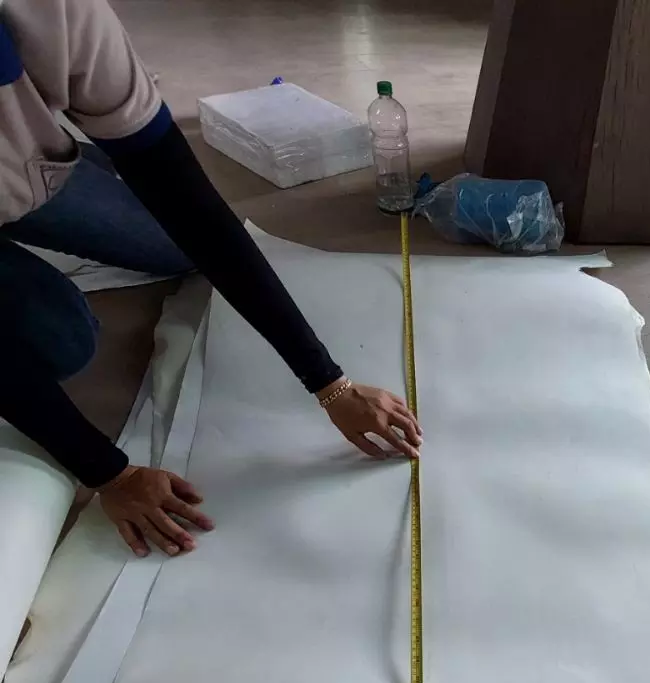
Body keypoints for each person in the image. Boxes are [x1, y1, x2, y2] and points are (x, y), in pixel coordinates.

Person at [0, 0, 421, 559]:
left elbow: (194, 210)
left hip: (21, 166)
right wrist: (111, 474)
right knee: (60, 341)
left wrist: (329, 383)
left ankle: (72, 150)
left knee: (175, 245)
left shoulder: (54, 13)